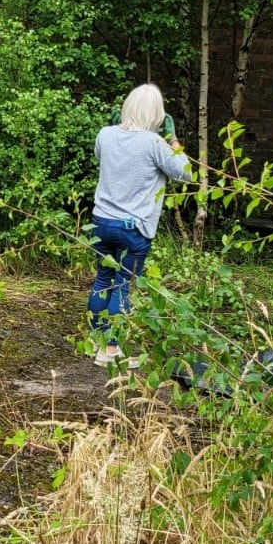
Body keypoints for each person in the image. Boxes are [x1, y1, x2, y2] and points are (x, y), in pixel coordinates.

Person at [88, 83, 191, 366]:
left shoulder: (105, 134)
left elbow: (102, 157)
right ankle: (110, 351)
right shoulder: (154, 143)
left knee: (101, 281)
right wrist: (173, 141)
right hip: (134, 228)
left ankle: (95, 341)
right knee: (122, 286)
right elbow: (186, 172)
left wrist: (113, 130)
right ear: (157, 115)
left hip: (101, 222)